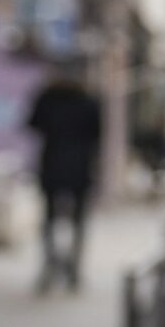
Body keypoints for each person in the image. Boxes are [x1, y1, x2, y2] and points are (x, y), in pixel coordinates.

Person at [25, 60, 104, 293]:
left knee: (50, 219)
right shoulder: (87, 100)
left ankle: (52, 265)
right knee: (78, 221)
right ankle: (72, 269)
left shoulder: (48, 98)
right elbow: (97, 134)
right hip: (79, 167)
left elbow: (32, 124)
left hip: (52, 164)